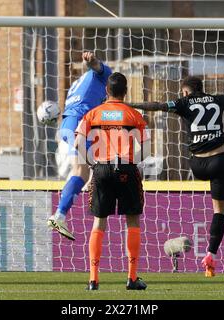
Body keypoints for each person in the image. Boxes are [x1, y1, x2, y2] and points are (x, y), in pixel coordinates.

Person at [128, 56, 224, 277]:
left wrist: (129, 104)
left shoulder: (184, 103)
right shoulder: (216, 99)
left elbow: (157, 106)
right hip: (219, 162)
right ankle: (210, 256)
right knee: (219, 211)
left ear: (186, 92)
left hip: (197, 165)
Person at [75, 72, 150, 290]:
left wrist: (92, 163)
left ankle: (93, 278)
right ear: (125, 91)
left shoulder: (93, 114)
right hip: (126, 167)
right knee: (132, 220)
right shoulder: (133, 115)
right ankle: (132, 277)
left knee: (99, 221)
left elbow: (79, 142)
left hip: (101, 168)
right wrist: (131, 162)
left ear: (106, 91)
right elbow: (145, 149)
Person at [47, 52, 112, 241]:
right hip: (80, 124)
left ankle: (61, 214)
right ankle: (59, 215)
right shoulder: (102, 75)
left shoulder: (79, 82)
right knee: (83, 172)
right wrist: (92, 61)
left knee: (82, 170)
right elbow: (98, 67)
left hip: (68, 125)